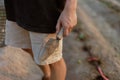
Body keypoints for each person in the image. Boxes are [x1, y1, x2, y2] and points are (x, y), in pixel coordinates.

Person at [4, 0, 77, 80]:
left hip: (46, 10)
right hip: (16, 6)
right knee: (26, 46)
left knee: (52, 60)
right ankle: (47, 75)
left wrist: (70, 8)